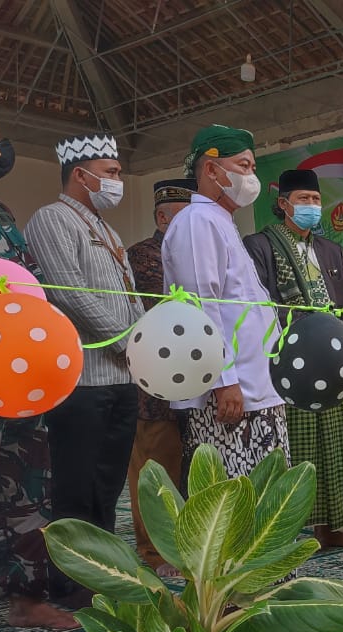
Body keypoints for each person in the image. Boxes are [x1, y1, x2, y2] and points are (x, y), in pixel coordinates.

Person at [0, 83, 75, 629]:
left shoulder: (0, 212)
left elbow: (30, 285)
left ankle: (26, 598)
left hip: (19, 379)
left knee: (27, 484)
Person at [24, 133, 142, 549]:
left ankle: (102, 571)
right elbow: (68, 292)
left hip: (122, 378)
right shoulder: (51, 218)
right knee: (76, 489)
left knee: (107, 490)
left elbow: (130, 297)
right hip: (82, 381)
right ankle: (70, 577)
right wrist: (126, 341)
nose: (117, 182)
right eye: (111, 172)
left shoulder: (108, 230)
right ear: (80, 175)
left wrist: (142, 344)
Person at [243, 168, 343, 548]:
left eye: (316, 199)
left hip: (335, 361)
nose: (312, 206)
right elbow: (260, 300)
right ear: (283, 204)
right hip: (291, 362)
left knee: (337, 445)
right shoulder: (260, 245)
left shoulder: (331, 250)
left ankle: (332, 528)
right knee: (298, 447)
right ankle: (288, 528)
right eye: (303, 200)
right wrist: (303, 336)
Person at [163, 124, 287, 477]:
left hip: (253, 387)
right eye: (243, 166)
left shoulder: (220, 221)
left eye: (253, 168)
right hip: (231, 395)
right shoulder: (197, 221)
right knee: (234, 496)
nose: (251, 177)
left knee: (266, 494)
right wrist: (223, 381)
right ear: (211, 170)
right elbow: (201, 307)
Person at [125, 178, 193, 574]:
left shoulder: (193, 255)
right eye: (183, 217)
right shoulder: (143, 255)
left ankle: (184, 544)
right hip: (156, 387)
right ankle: (154, 551)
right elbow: (167, 310)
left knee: (187, 468)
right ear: (162, 218)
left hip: (194, 380)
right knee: (154, 470)